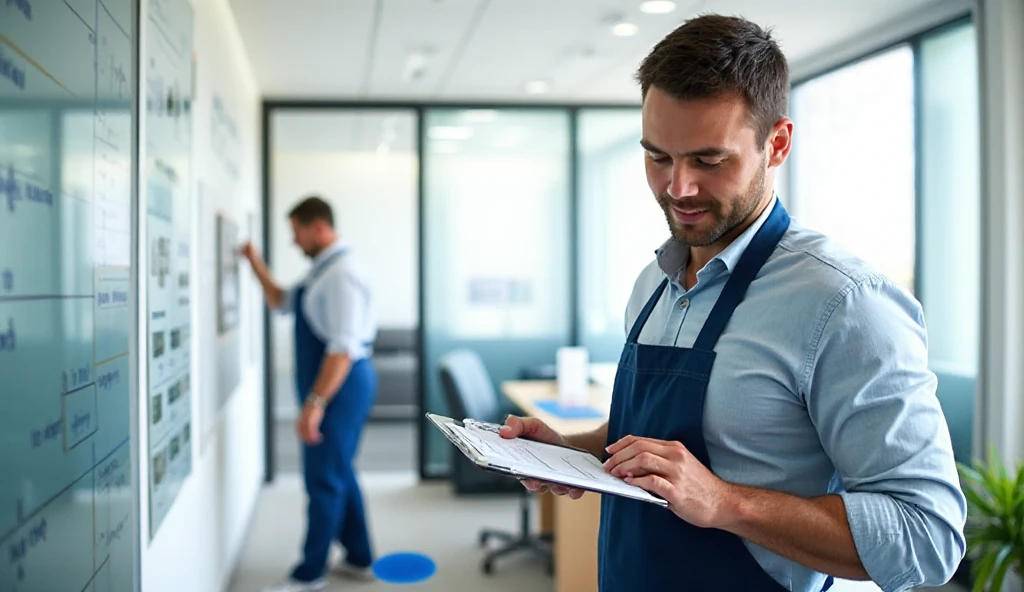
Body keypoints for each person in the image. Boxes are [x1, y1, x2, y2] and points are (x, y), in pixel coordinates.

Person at [500, 14, 967, 592]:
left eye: (708, 160)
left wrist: (726, 502)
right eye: (658, 157)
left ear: (777, 144)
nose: (678, 188)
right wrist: (571, 452)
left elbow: (927, 536)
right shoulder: (654, 281)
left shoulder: (846, 304)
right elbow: (657, 438)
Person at [242, 196, 378, 592]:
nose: (294, 242)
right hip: (335, 383)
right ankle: (359, 557)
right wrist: (254, 263)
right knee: (339, 471)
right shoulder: (321, 271)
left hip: (342, 385)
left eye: (297, 233)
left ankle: (310, 573)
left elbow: (342, 349)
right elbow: (282, 302)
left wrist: (314, 405)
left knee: (323, 479)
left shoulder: (342, 275)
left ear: (318, 227)